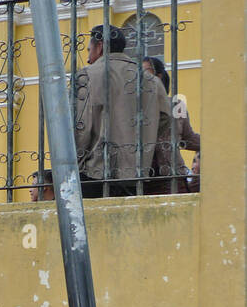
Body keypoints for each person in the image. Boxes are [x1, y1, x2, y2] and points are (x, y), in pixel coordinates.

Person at [74, 26, 170, 196]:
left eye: (89, 50)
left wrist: (78, 162)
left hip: (93, 171)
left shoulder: (87, 75)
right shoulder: (151, 80)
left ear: (100, 46)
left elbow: (80, 125)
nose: (88, 59)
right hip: (135, 171)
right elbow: (164, 118)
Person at [143, 56, 201, 194]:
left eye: (145, 71)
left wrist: (216, 144)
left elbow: (188, 139)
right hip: (143, 177)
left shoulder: (176, 105)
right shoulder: (133, 107)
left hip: (172, 175)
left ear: (158, 76)